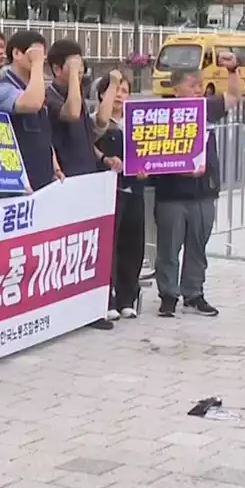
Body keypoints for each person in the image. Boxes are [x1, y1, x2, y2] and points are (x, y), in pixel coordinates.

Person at [152, 52, 244, 318]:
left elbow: (234, 97)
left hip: (203, 191)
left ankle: (193, 293)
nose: (198, 90)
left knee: (197, 245)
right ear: (176, 88)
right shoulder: (161, 114)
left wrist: (233, 70)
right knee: (169, 247)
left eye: (200, 86)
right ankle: (168, 294)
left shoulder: (207, 108)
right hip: (171, 193)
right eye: (192, 86)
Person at [93, 70, 146, 321]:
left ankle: (128, 297)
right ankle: (108, 298)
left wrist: (149, 170)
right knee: (110, 246)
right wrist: (106, 159)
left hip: (135, 189)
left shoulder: (138, 122)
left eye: (125, 91)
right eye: (115, 90)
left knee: (133, 245)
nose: (120, 96)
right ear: (103, 93)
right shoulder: (98, 121)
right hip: (109, 190)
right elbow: (88, 143)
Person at [0, 30, 61, 192]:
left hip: (43, 177)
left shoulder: (37, 87)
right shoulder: (3, 89)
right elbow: (32, 102)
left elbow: (44, 134)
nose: (39, 59)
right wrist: (36, 65)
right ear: (16, 53)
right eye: (34, 54)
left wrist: (54, 167)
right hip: (18, 183)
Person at [44, 40, 102, 178]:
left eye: (81, 64)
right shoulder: (50, 97)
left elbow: (88, 136)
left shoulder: (77, 93)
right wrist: (74, 75)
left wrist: (103, 158)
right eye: (74, 65)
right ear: (57, 69)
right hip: (66, 175)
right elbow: (72, 113)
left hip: (87, 173)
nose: (80, 69)